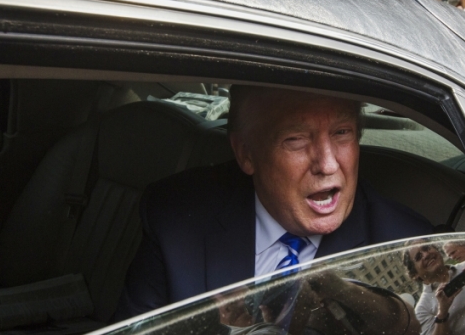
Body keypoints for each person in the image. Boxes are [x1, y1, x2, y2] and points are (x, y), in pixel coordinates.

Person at [114, 86, 433, 319]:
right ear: (246, 153)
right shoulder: (178, 219)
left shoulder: (408, 244)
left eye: (342, 133)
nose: (328, 164)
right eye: (295, 139)